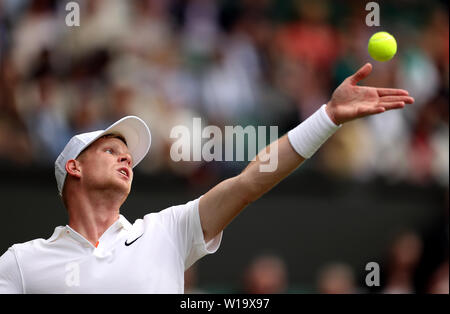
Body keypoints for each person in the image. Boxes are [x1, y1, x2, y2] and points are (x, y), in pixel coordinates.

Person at [0, 63, 414, 293]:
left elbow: (252, 179)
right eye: (110, 150)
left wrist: (326, 118)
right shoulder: (21, 263)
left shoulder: (167, 231)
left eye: (128, 154)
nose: (125, 157)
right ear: (74, 167)